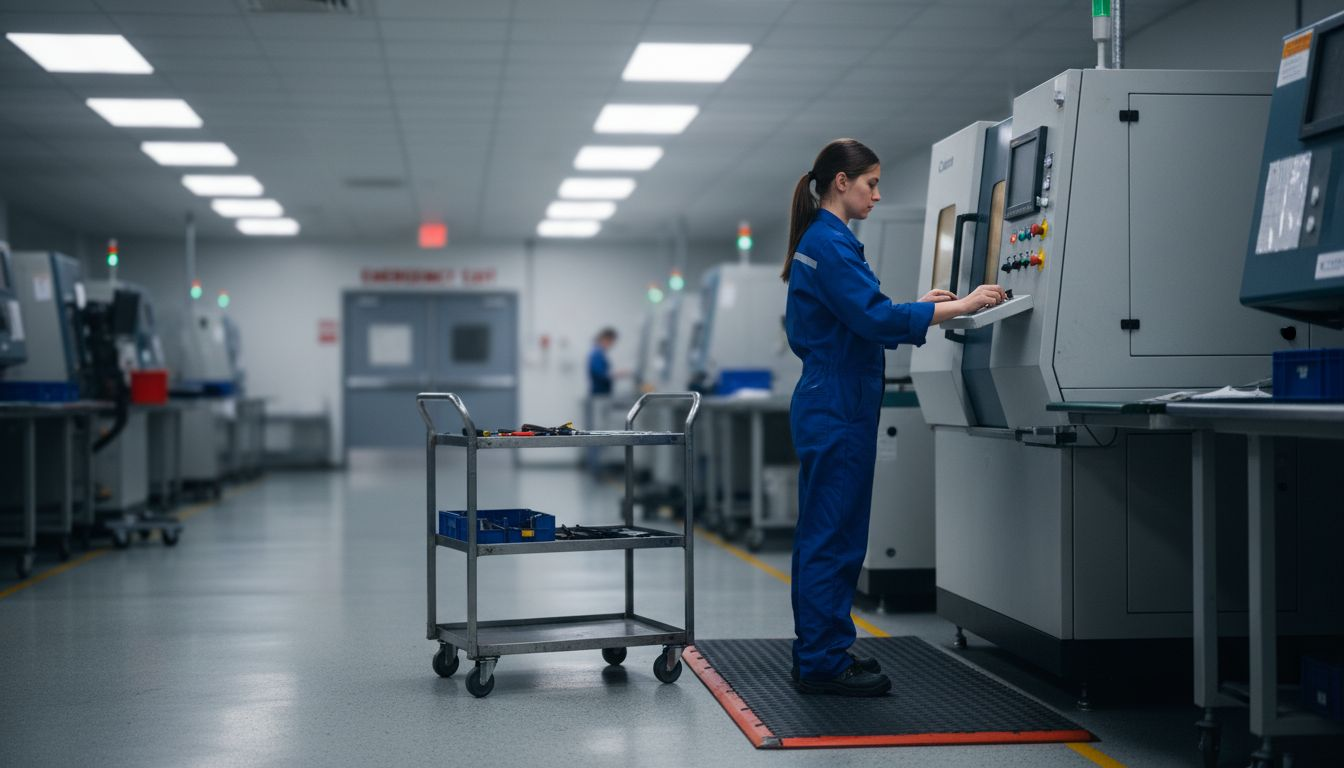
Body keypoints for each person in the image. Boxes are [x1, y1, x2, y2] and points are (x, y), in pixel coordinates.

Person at [782, 138, 1006, 697]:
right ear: (841, 182)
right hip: (839, 402)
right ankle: (823, 662)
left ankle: (818, 651)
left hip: (832, 397)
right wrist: (960, 305)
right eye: (871, 183)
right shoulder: (830, 244)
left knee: (825, 533)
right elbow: (876, 320)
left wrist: (921, 304)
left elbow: (861, 313)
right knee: (834, 537)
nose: (877, 194)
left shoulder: (825, 240)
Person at [587, 327, 618, 396]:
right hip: (599, 393)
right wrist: (618, 374)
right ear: (605, 339)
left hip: (602, 392)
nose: (612, 344)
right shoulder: (597, 354)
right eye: (611, 341)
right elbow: (600, 374)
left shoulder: (599, 353)